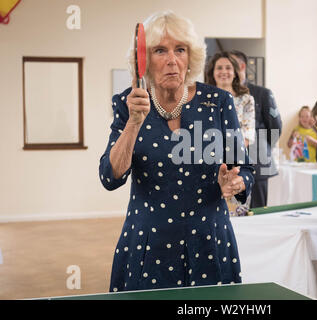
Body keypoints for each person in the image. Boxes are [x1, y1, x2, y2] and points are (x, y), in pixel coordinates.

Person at [99, 11, 254, 292]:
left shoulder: (219, 102)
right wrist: (134, 122)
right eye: (160, 50)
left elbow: (243, 169)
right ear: (143, 60)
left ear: (190, 56)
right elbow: (110, 177)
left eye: (180, 49)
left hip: (209, 240)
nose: (172, 59)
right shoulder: (128, 103)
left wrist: (236, 181)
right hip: (148, 243)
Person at [229, 50, 283, 208]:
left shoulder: (262, 93)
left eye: (232, 65)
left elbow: (275, 127)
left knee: (258, 209)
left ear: (242, 66)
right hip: (229, 162)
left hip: (257, 159)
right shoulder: (221, 93)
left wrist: (262, 149)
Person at [205, 52, 255, 148]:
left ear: (235, 73)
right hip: (208, 153)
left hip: (235, 155)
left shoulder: (246, 100)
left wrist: (233, 155)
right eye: (219, 68)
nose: (224, 71)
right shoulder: (203, 98)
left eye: (228, 68)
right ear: (213, 73)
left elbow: (248, 133)